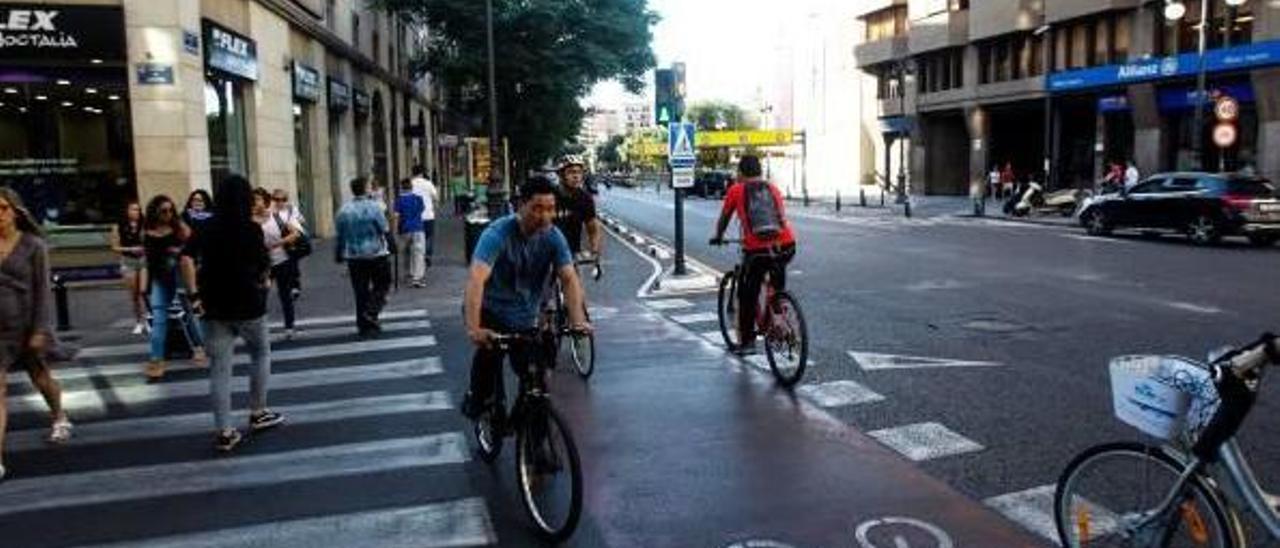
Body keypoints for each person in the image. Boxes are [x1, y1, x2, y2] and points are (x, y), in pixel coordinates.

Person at [460, 177, 590, 418]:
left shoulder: (554, 237)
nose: (544, 216)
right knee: (489, 357)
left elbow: (570, 279)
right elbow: (476, 280)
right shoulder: (496, 234)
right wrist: (474, 329)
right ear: (521, 205)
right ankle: (477, 398)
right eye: (537, 208)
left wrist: (577, 321)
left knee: (538, 382)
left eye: (550, 209)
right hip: (491, 310)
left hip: (527, 315)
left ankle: (533, 447)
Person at [180, 176, 284, 452]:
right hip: (249, 304)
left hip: (214, 306)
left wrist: (194, 295)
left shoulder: (204, 228)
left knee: (219, 370)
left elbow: (186, 257)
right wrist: (263, 281)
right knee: (260, 354)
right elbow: (263, 265)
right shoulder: (251, 229)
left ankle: (224, 431)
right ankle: (258, 411)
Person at [0, 187, 73, 483]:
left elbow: (43, 290)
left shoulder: (33, 245)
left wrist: (41, 329)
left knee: (41, 377)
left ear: (16, 211)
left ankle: (59, 416)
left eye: (3, 208)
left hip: (26, 324)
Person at [710, 155, 797, 355]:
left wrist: (718, 236)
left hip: (757, 250)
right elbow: (779, 219)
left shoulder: (736, 190)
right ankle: (780, 316)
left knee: (746, 294)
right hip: (786, 245)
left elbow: (724, 218)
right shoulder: (773, 189)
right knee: (776, 283)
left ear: (741, 172)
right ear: (759, 171)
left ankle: (748, 343)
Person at [142, 195, 205, 379]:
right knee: (159, 317)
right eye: (163, 211)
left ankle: (199, 347)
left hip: (180, 274)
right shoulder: (146, 231)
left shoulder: (179, 227)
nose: (168, 214)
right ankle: (156, 359)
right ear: (154, 211)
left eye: (171, 210)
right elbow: (146, 260)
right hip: (160, 278)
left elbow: (194, 245)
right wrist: (144, 285)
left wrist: (181, 252)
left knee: (190, 311)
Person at [335, 177, 392, 338]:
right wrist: (391, 244)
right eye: (369, 186)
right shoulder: (374, 207)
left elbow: (341, 235)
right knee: (383, 283)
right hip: (375, 253)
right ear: (366, 189)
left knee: (360, 291)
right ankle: (371, 311)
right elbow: (384, 228)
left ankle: (364, 325)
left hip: (354, 255)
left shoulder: (344, 210)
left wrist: (339, 252)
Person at [254, 188, 302, 339]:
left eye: (258, 199)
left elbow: (295, 234)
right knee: (260, 296)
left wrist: (278, 243)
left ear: (265, 201)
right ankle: (259, 330)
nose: (255, 203)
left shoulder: (276, 217)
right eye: (253, 200)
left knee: (285, 295)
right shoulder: (248, 220)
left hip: (281, 260)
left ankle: (289, 327)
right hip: (261, 264)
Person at [552, 155, 604, 259]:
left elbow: (593, 227)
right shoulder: (550, 196)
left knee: (575, 275)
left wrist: (594, 250)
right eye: (571, 172)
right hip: (546, 252)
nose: (576, 176)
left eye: (579, 172)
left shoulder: (585, 198)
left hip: (571, 254)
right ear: (560, 175)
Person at [111, 201, 148, 335]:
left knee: (144, 292)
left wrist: (144, 247)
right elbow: (114, 247)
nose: (136, 212)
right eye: (133, 209)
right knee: (134, 294)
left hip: (143, 260)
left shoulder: (144, 225)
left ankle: (148, 320)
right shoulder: (118, 226)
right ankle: (139, 321)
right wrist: (130, 248)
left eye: (138, 210)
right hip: (128, 260)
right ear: (127, 211)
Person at [270, 189, 306, 300]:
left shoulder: (291, 209)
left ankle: (294, 286)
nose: (280, 202)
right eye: (277, 199)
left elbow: (302, 220)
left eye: (283, 199)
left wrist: (293, 224)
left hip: (291, 242)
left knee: (293, 264)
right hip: (276, 244)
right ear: (273, 199)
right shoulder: (270, 211)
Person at [394, 179, 428, 288]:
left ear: (402, 188)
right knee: (418, 253)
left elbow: (396, 216)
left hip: (404, 230)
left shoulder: (398, 200)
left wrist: (394, 231)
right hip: (418, 228)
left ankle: (407, 274)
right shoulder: (418, 199)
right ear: (411, 187)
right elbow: (422, 210)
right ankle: (417, 278)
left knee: (405, 253)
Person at [409, 165, 438, 270]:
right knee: (429, 237)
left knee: (416, 239)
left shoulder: (410, 184)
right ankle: (427, 256)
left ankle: (418, 258)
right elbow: (435, 197)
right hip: (428, 215)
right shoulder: (428, 183)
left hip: (414, 216)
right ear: (422, 173)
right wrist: (433, 206)